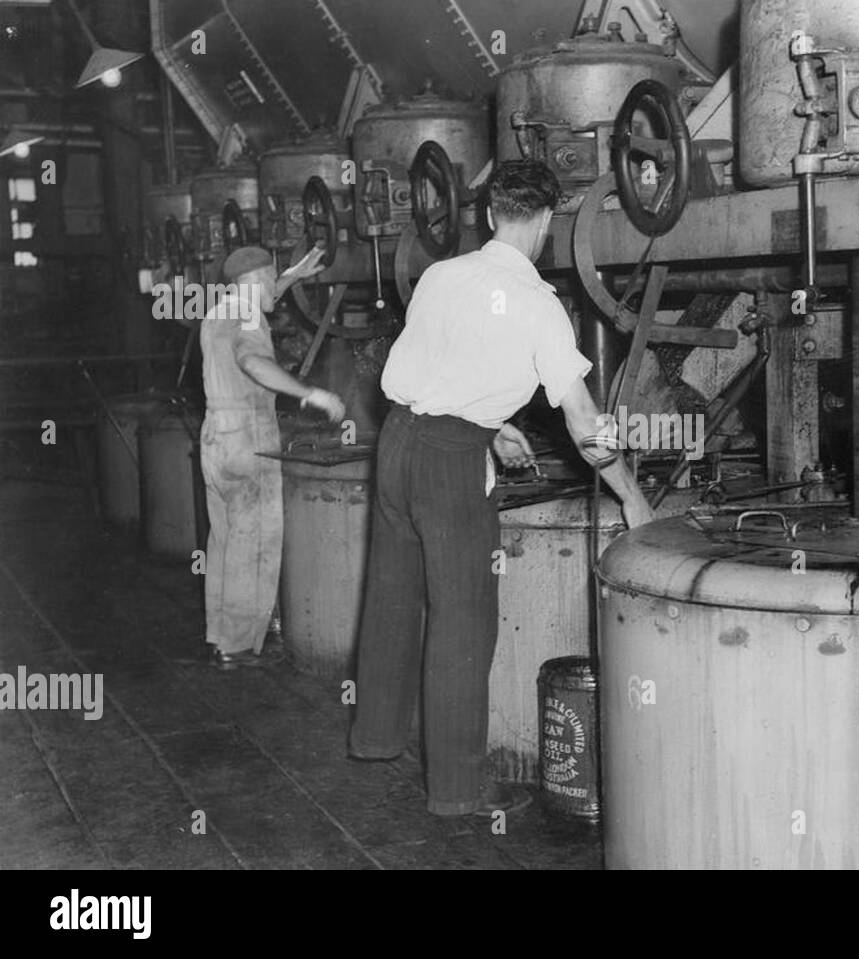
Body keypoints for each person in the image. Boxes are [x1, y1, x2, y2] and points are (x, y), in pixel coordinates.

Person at [349, 159, 656, 816]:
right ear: (546, 221)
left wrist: (492, 428)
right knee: (463, 623)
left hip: (396, 443)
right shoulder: (540, 307)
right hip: (449, 464)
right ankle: (457, 793)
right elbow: (584, 424)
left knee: (392, 598)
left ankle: (375, 738)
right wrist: (631, 494)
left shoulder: (440, 274)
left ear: (488, 215)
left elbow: (445, 369)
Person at [199, 245, 346, 669]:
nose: (273, 292)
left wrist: (294, 275)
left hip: (216, 437)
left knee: (225, 540)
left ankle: (221, 638)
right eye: (272, 280)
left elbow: (263, 295)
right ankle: (242, 647)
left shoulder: (221, 310)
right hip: (248, 437)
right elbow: (253, 362)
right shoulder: (248, 317)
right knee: (256, 541)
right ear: (256, 281)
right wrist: (310, 393)